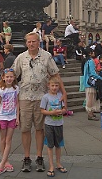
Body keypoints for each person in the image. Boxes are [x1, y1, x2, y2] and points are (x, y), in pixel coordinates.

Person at [11, 32, 67, 173]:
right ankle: (26, 157)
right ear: (26, 43)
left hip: (42, 98)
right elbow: (12, 75)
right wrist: (3, 90)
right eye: (29, 42)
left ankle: (40, 157)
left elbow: (55, 74)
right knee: (25, 129)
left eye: (34, 41)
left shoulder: (46, 56)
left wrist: (63, 92)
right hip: (25, 97)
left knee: (40, 129)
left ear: (39, 42)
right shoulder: (21, 57)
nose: (31, 44)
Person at [0, 68, 19, 175]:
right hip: (2, 117)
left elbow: (17, 102)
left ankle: (1, 164)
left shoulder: (16, 88)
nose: (9, 78)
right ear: (3, 77)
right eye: (7, 76)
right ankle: (6, 161)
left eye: (11, 76)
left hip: (12, 117)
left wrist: (17, 117)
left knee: (9, 140)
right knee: (2, 140)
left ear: (14, 77)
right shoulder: (0, 90)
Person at [40, 76, 67, 177]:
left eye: (56, 85)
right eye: (52, 85)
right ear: (48, 86)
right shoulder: (45, 97)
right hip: (49, 124)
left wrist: (62, 111)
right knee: (50, 145)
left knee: (58, 144)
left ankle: (58, 163)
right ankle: (51, 165)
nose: (54, 87)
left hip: (59, 124)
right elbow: (42, 110)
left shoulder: (60, 96)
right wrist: (52, 113)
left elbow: (64, 108)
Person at [83, 47, 102, 120]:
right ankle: (90, 113)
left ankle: (90, 113)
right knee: (91, 98)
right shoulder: (91, 61)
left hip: (86, 81)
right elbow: (92, 73)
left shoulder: (86, 61)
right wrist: (101, 78)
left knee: (89, 98)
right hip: (90, 82)